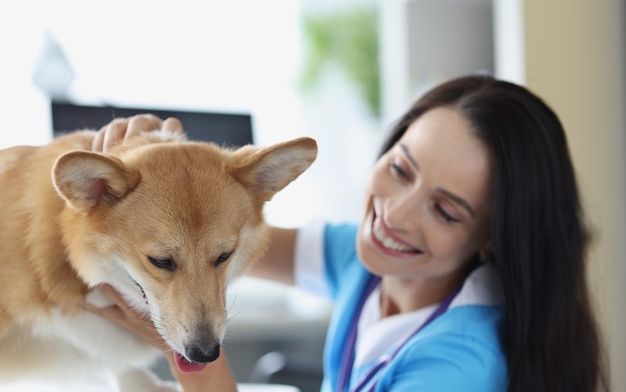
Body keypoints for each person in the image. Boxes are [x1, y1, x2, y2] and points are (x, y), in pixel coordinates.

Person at [88, 74, 609, 392]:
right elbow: (221, 238)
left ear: (495, 236)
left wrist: (190, 353)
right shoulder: (370, 261)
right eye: (401, 169)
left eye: (445, 211)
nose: (394, 216)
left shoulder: (458, 366)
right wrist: (162, 162)